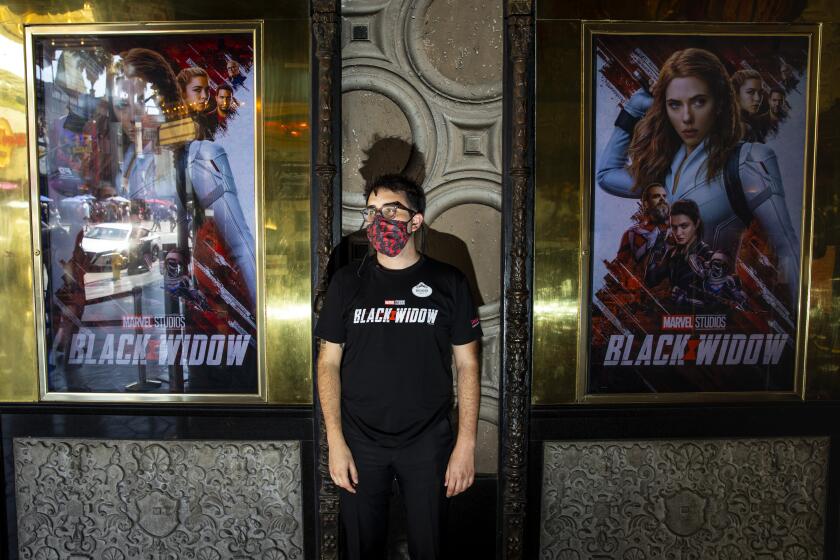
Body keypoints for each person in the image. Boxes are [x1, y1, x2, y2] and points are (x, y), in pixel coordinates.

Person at [315, 174, 481, 560]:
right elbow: (328, 363)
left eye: (390, 210)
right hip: (360, 442)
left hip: (427, 442)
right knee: (361, 548)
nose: (378, 220)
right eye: (372, 211)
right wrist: (335, 442)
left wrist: (466, 445)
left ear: (416, 220)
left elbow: (468, 364)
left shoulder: (448, 282)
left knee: (431, 548)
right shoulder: (345, 283)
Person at [596, 47, 799, 305]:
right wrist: (634, 109)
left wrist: (798, 325)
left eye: (698, 101)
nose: (687, 117)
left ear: (721, 102)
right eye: (675, 104)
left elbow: (787, 248)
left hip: (723, 315)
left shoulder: (748, 160)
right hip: (672, 317)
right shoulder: (666, 165)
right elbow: (606, 175)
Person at [645, 199, 713, 309]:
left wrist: (687, 301)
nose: (678, 233)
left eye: (684, 226)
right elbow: (651, 280)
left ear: (696, 224)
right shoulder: (673, 254)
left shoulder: (707, 255)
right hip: (677, 319)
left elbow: (714, 301)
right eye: (674, 227)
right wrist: (658, 245)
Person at [614, 182, 671, 288]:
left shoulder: (678, 228)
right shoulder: (631, 235)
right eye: (656, 196)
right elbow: (620, 270)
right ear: (646, 203)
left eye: (664, 196)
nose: (662, 199)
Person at [732, 69, 766, 142]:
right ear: (737, 94)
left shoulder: (748, 119)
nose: (757, 98)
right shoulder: (741, 128)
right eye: (750, 92)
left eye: (760, 93)